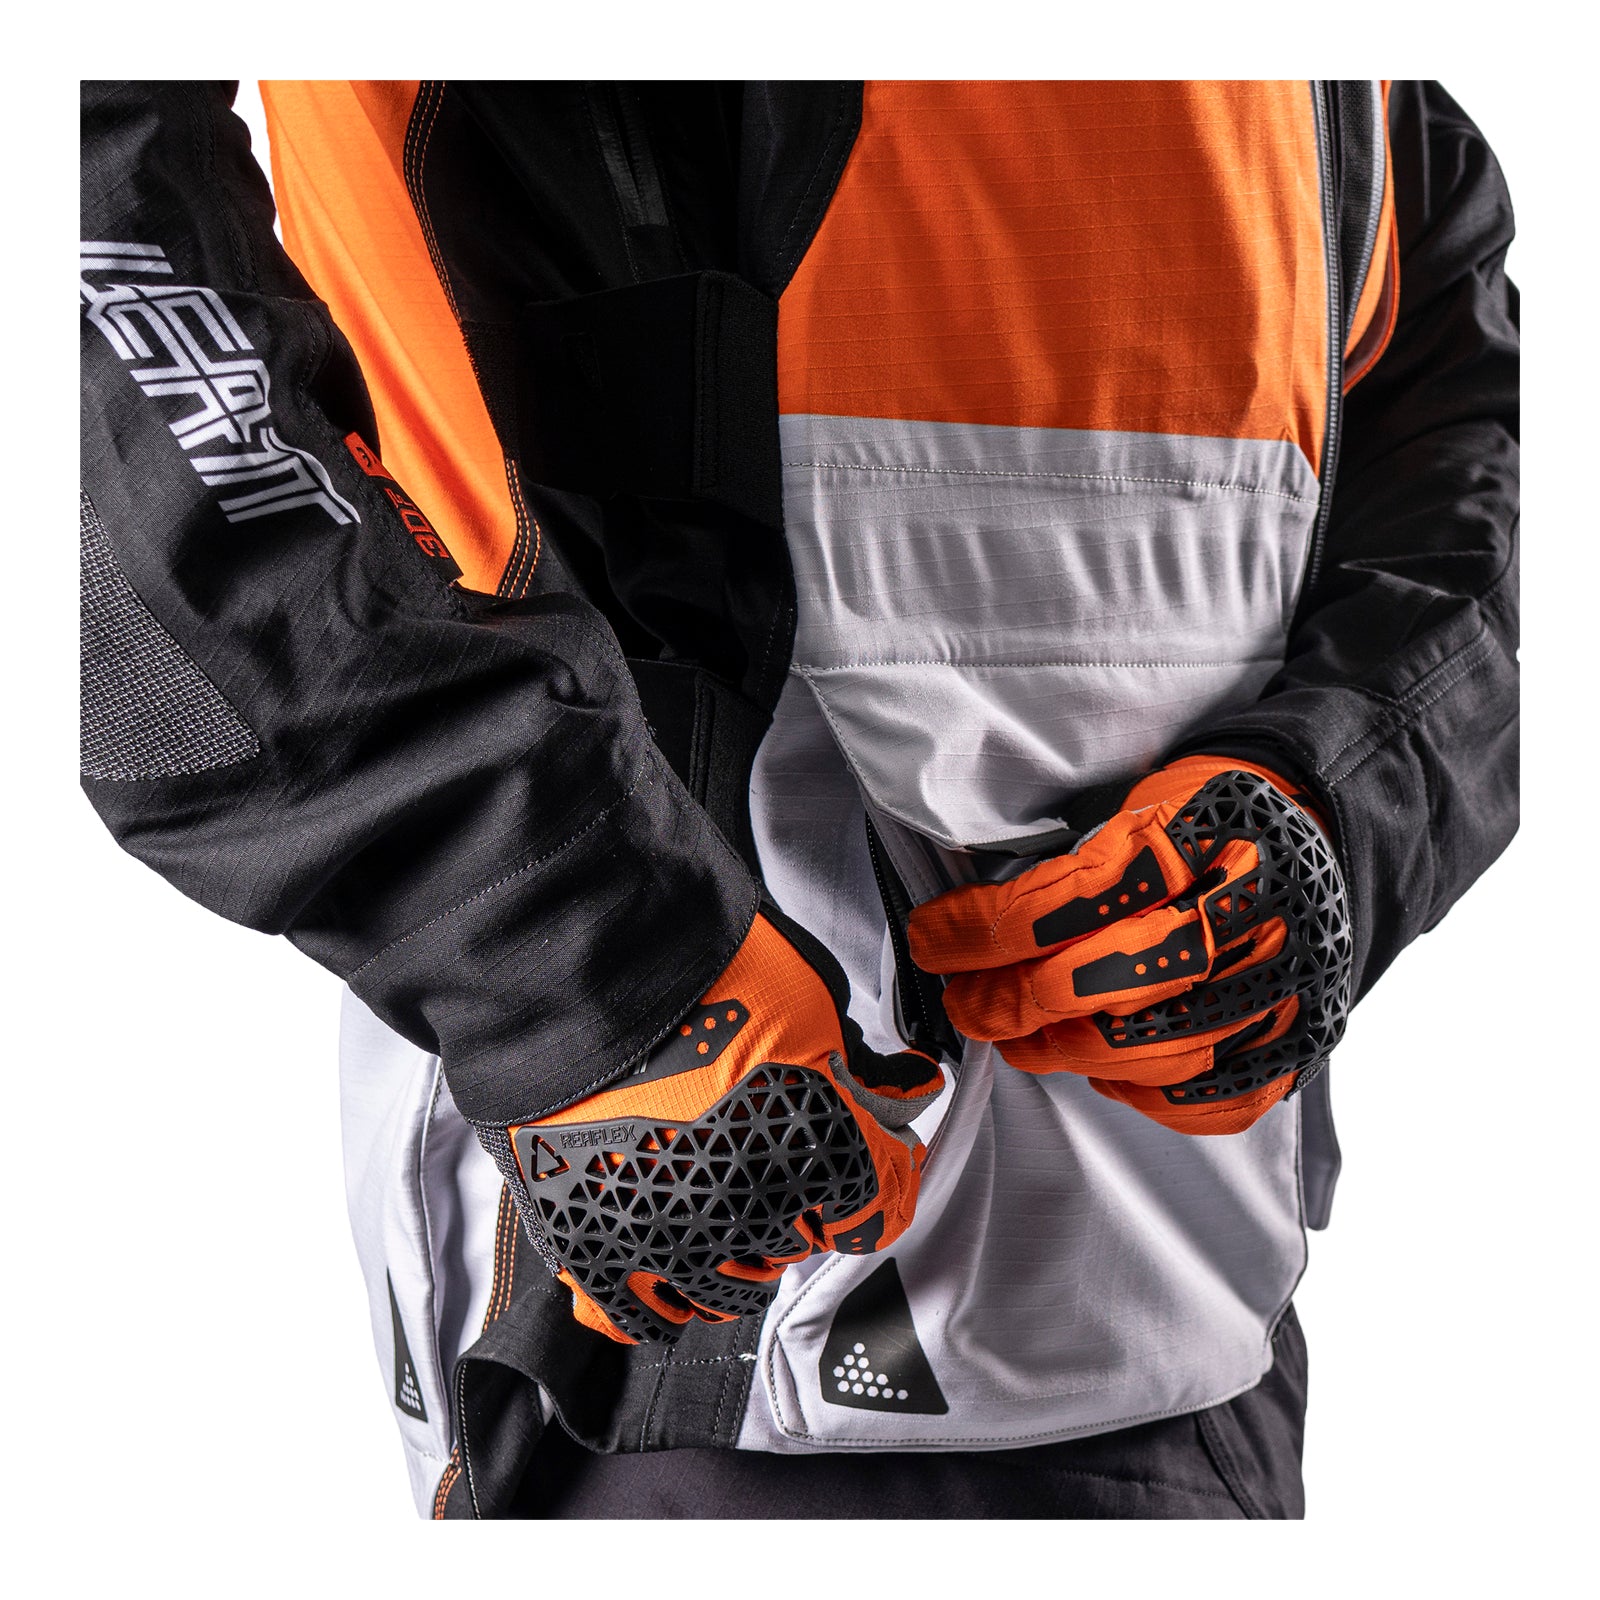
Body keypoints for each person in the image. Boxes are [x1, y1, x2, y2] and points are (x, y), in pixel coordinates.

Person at [78, 79, 1518, 1519]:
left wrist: (1346, 797)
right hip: (706, 1291)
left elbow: (1434, 361)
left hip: (1199, 1309)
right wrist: (567, 953)